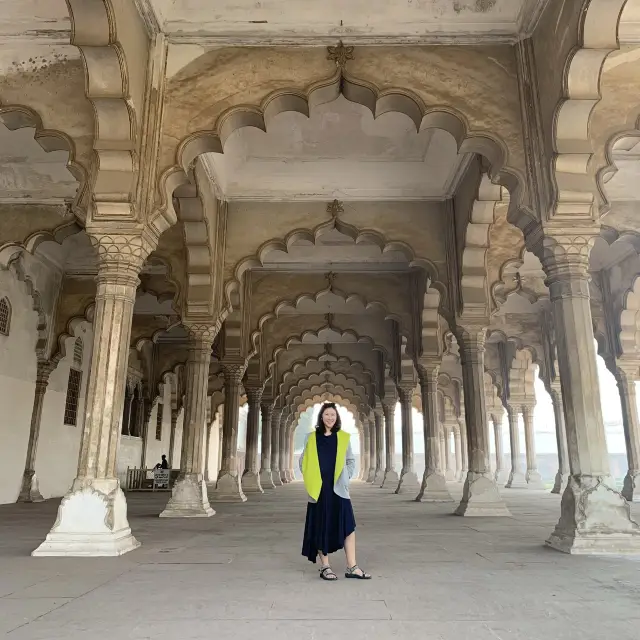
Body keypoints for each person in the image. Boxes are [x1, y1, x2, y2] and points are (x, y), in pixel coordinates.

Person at [299, 402, 372, 581]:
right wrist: (311, 479)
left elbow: (350, 461)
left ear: (336, 417)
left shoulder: (343, 437)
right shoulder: (311, 438)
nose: (330, 418)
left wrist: (345, 479)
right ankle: (325, 566)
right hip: (319, 490)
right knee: (321, 525)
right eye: (326, 415)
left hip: (339, 489)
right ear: (321, 417)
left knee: (348, 526)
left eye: (333, 415)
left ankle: (352, 566)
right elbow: (303, 461)